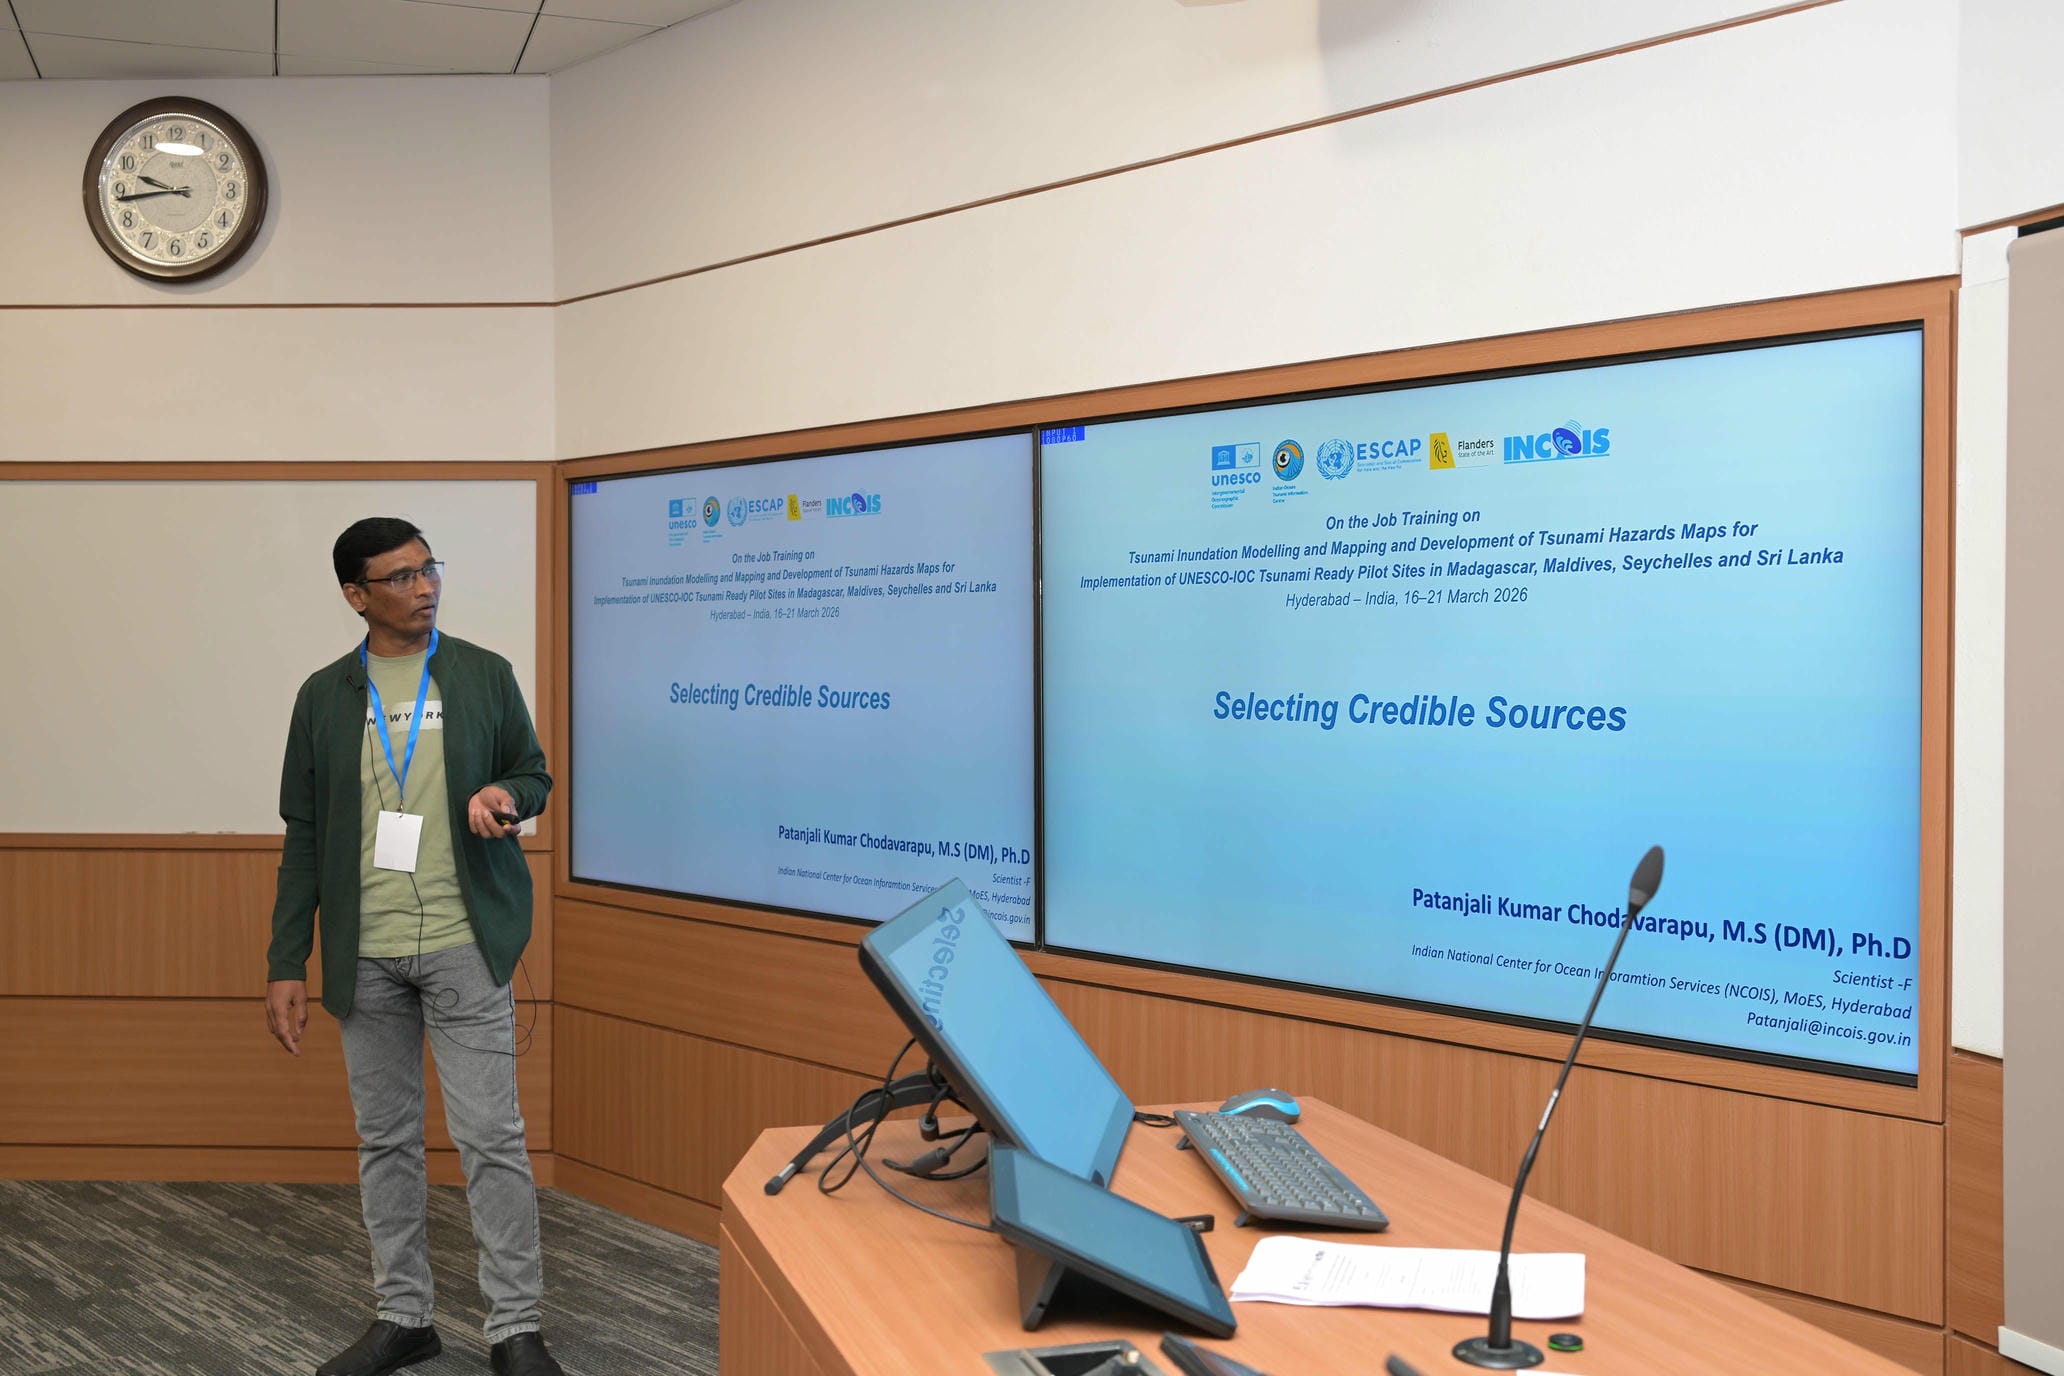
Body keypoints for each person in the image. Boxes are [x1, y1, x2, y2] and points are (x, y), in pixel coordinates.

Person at [265, 518, 563, 1376]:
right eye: (400, 577)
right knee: (386, 1141)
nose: (425, 587)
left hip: (467, 941)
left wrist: (507, 793)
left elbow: (534, 773)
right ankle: (404, 1316)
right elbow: (303, 833)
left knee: (492, 1139)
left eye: (429, 568)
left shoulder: (482, 673)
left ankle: (516, 1329)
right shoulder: (323, 695)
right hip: (365, 953)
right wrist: (287, 960)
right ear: (356, 595)